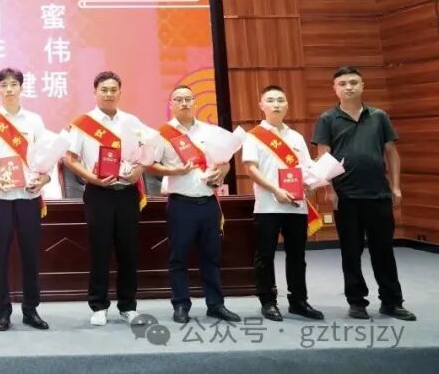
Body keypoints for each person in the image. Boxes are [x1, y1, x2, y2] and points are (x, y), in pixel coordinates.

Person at [312, 66, 415, 321]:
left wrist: (396, 186)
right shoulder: (327, 119)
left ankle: (392, 302)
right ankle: (356, 302)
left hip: (378, 194)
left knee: (384, 250)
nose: (348, 87)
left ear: (362, 85)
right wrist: (330, 190)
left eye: (353, 82)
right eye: (342, 83)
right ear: (334, 89)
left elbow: (391, 152)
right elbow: (323, 157)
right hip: (346, 196)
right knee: (351, 252)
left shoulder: (379, 116)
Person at [147, 85, 239, 324]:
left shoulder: (212, 131)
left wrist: (221, 173)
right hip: (181, 204)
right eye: (179, 99)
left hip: (208, 203)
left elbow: (225, 162)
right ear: (171, 104)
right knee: (179, 257)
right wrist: (174, 170)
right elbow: (150, 165)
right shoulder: (162, 134)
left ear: (195, 102)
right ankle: (180, 305)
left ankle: (216, 304)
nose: (184, 103)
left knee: (211, 256)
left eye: (188, 99)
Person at [0, 67, 53, 332]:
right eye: (4, 85)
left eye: (13, 84)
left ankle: (31, 310)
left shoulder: (34, 120)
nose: (9, 89)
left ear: (21, 88)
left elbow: (47, 155)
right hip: (1, 196)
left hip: (29, 195)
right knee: (1, 255)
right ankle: (2, 311)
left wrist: (45, 178)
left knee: (31, 254)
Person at [63, 71, 148, 326]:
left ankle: (128, 306)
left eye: (113, 89)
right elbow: (70, 158)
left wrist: (138, 172)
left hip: (127, 193)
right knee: (99, 250)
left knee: (128, 251)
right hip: (98, 192)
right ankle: (99, 306)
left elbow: (148, 152)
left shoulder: (132, 121)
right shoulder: (84, 123)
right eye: (104, 90)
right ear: (95, 92)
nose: (109, 94)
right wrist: (93, 178)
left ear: (120, 92)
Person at [242, 85, 324, 322]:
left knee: (297, 256)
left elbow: (306, 168)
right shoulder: (253, 136)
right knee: (265, 256)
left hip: (296, 206)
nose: (276, 104)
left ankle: (298, 301)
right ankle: (267, 302)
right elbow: (251, 169)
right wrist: (275, 190)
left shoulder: (296, 137)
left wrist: (312, 181)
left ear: (287, 105)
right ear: (262, 105)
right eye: (270, 100)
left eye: (280, 100)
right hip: (268, 206)